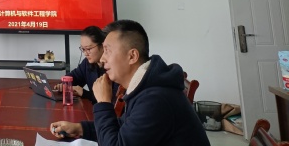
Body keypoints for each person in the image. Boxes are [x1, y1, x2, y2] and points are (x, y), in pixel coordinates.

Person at [50, 20, 210, 146]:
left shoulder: (156, 99)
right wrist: (80, 129)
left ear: (132, 56)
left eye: (107, 50)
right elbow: (123, 127)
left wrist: (103, 103)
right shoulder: (145, 87)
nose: (103, 58)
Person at [54, 25, 119, 104]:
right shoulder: (87, 63)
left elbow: (113, 101)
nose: (85, 53)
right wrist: (63, 84)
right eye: (83, 49)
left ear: (102, 46)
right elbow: (74, 77)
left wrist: (85, 94)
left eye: (88, 49)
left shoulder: (113, 67)